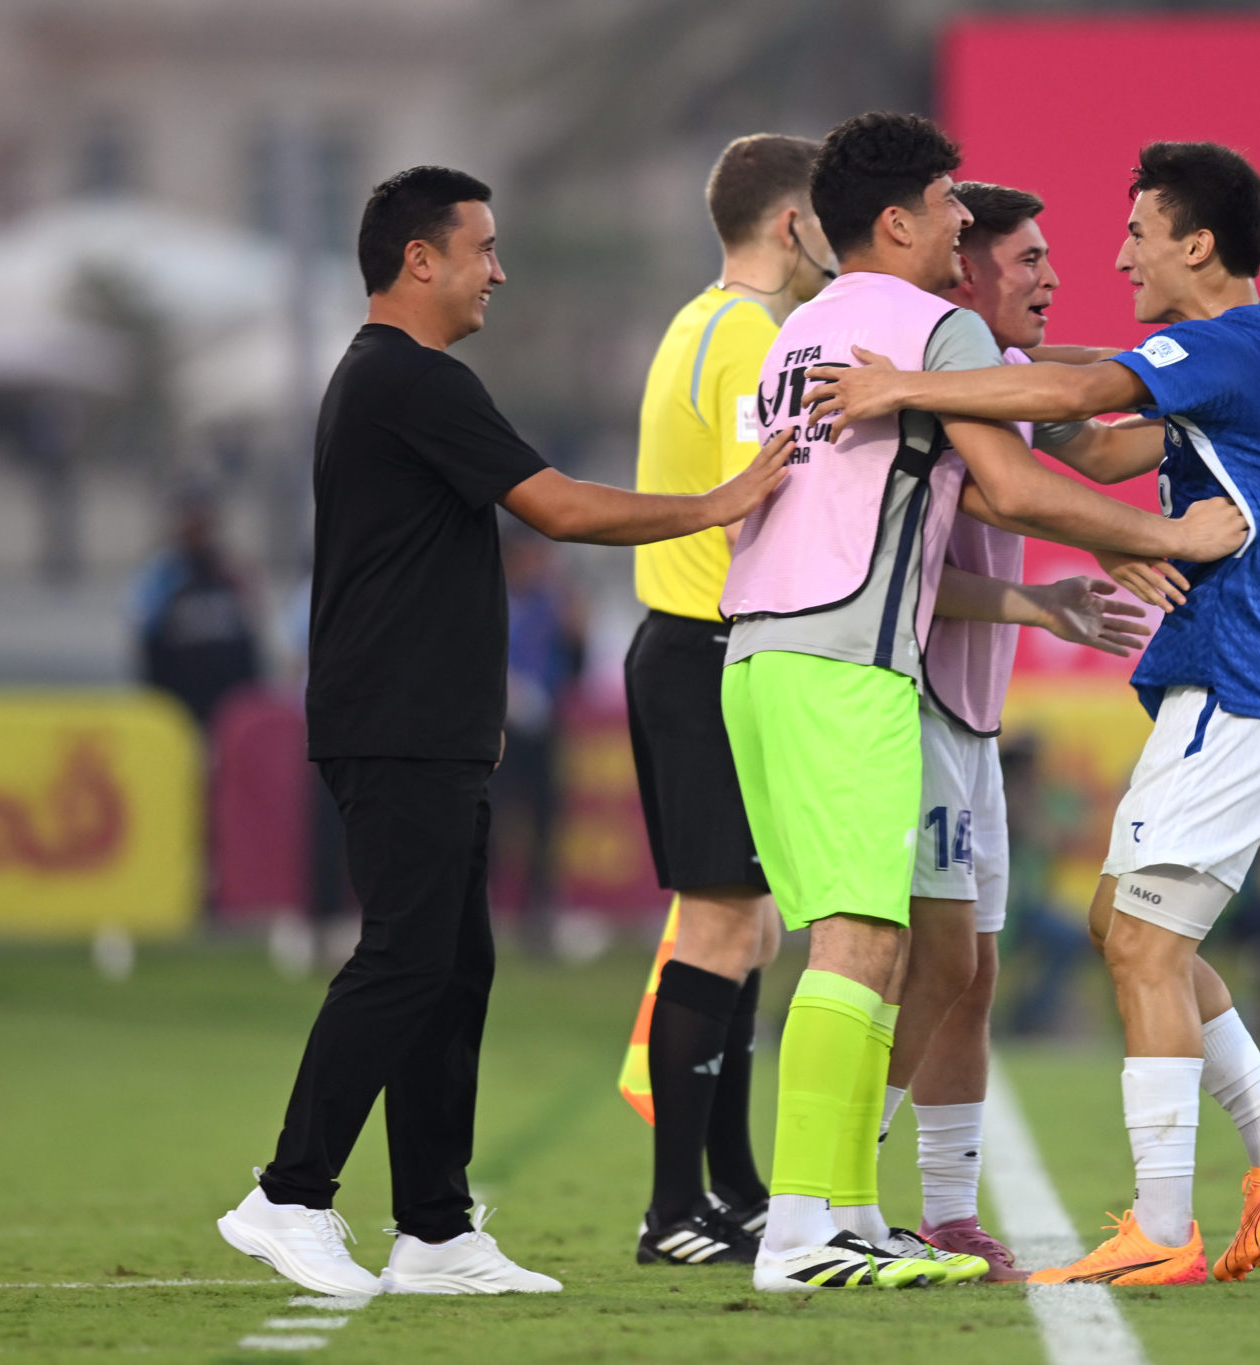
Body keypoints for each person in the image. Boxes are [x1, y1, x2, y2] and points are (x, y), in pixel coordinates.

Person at [215, 164, 794, 1299]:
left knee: (452, 971)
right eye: (482, 249)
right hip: (396, 724)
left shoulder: (404, 379)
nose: (499, 271)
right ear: (418, 259)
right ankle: (288, 1194)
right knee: (405, 958)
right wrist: (720, 503)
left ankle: (435, 1230)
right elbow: (558, 506)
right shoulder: (408, 377)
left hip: (431, 727)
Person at [804, 140, 1260, 1287]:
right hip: (1249, 689)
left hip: (1243, 689)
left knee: (1143, 944)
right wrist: (987, 360)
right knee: (1126, 926)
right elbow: (1096, 447)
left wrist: (906, 384)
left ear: (1196, 244)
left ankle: (1161, 1225)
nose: (1115, 259)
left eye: (1138, 234)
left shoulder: (1223, 346)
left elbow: (1071, 395)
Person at [721, 113, 1246, 1293]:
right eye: (948, 203)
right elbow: (1009, 486)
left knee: (882, 944)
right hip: (851, 653)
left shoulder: (801, 328)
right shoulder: (936, 324)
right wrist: (1165, 536)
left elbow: (1031, 442)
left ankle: (845, 1215)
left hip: (761, 649)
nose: (960, 223)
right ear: (898, 220)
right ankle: (801, 1228)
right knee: (863, 943)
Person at [873, 179, 1145, 1280]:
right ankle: (828, 1186)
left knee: (972, 971)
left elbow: (1098, 430)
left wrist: (1218, 402)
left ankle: (946, 1214)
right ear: (963, 267)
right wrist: (1043, 600)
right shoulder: (937, 390)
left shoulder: (1003, 382)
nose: (1053, 276)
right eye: (1028, 258)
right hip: (914, 699)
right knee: (933, 960)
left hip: (973, 715)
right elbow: (904, 571)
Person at [622, 133, 832, 1269]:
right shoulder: (754, 336)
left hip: (686, 642)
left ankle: (731, 1186)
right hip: (707, 646)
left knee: (747, 923)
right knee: (717, 924)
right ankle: (670, 1210)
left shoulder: (694, 321)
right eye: (827, 220)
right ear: (791, 223)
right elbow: (770, 496)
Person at [493, 530, 586, 928]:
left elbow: (574, 668)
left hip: (543, 726)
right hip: (496, 725)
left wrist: (576, 635)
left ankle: (538, 906)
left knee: (544, 816)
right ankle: (487, 902)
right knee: (492, 815)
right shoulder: (494, 601)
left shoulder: (553, 603)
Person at [131, 492, 263, 730]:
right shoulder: (163, 574)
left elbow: (248, 630)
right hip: (180, 692)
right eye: (191, 527)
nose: (198, 534)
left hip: (226, 694)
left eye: (203, 526)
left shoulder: (228, 572)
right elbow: (146, 629)